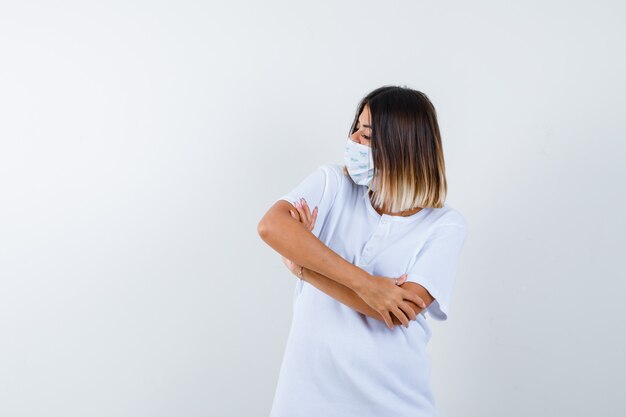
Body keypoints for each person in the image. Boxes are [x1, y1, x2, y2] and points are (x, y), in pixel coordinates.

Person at [257, 85, 468, 417]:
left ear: (402, 146)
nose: (353, 141)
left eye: (367, 136)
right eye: (355, 129)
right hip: (305, 401)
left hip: (393, 404)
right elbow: (271, 227)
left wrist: (305, 267)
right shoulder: (332, 186)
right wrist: (369, 285)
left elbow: (396, 311)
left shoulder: (444, 225)